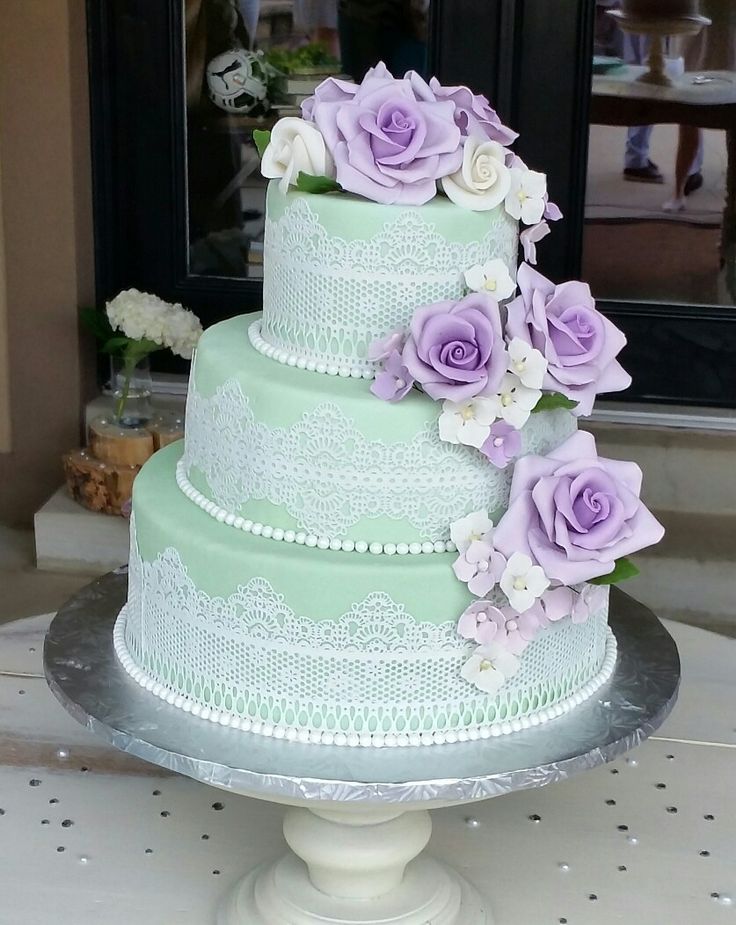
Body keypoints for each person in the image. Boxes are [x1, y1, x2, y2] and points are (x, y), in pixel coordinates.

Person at [663, 0, 736, 212]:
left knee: (727, 118)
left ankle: (679, 192)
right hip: (695, 38)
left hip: (724, 40)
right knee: (688, 119)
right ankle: (678, 192)